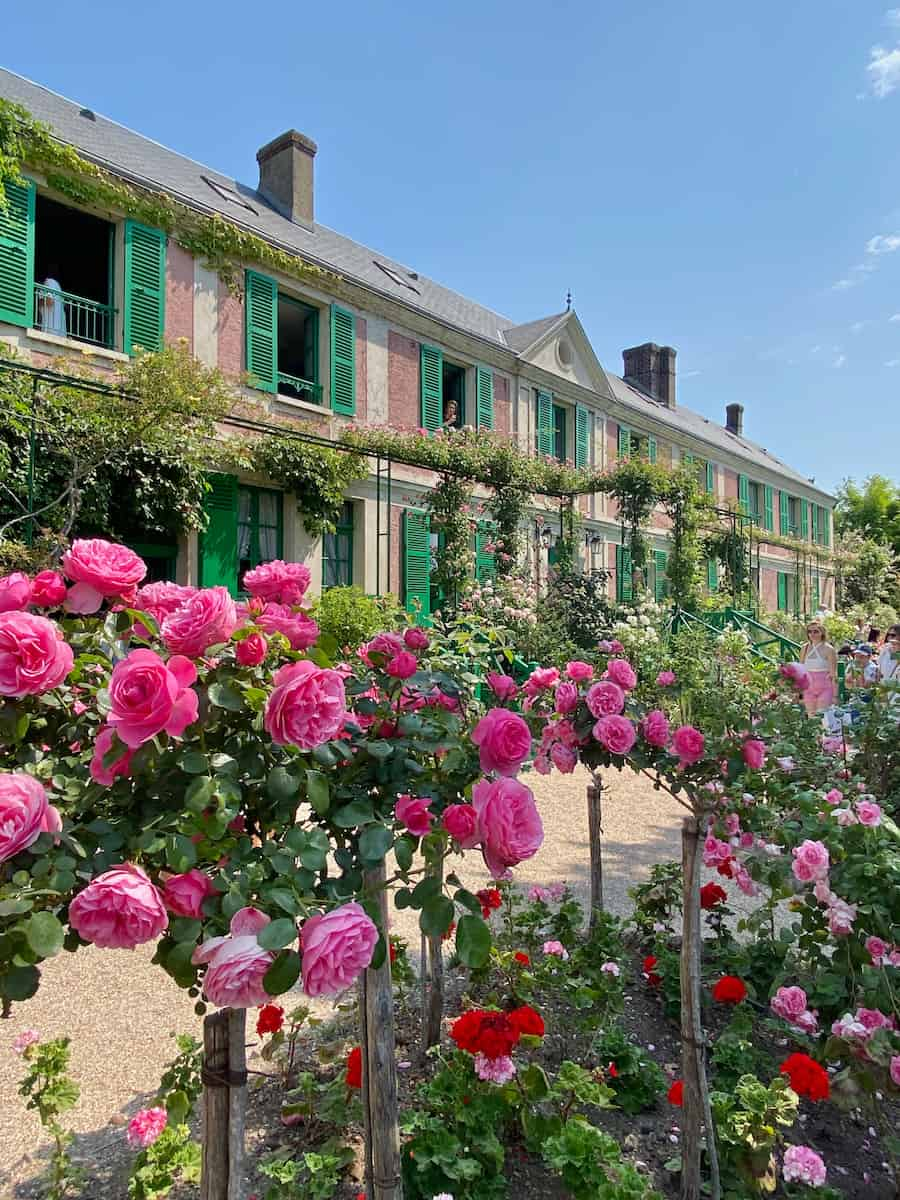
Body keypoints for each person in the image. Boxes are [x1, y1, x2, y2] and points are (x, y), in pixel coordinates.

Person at [799, 619, 837, 715]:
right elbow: (800, 670)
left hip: (825, 687)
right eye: (810, 631)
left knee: (822, 716)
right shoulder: (805, 648)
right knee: (811, 718)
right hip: (808, 688)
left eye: (816, 631)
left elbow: (833, 674)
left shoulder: (829, 649)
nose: (812, 634)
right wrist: (798, 691)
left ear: (822, 632)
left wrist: (835, 695)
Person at [37, 265, 67, 337]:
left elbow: (49, 301)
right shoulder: (57, 286)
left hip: (51, 331)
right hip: (59, 332)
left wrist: (36, 303)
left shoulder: (49, 282)